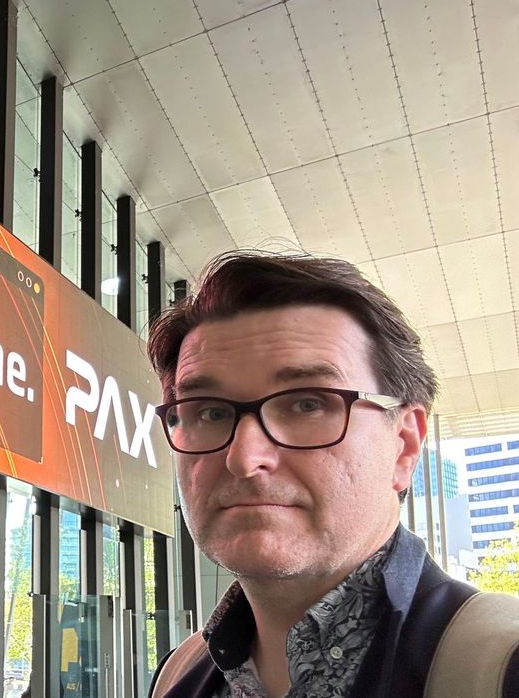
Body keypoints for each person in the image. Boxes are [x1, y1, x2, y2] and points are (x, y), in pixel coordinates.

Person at [145, 252, 519, 697]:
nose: (244, 458)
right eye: (208, 411)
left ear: (403, 445)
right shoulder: (177, 676)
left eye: (307, 404)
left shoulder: (502, 668)